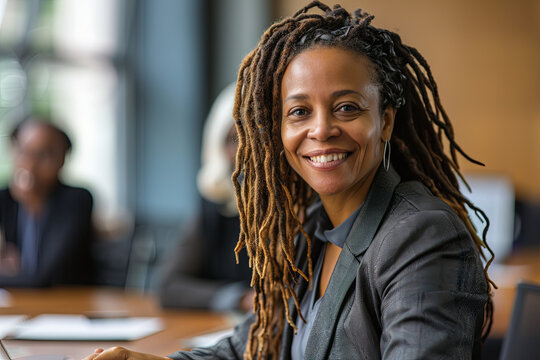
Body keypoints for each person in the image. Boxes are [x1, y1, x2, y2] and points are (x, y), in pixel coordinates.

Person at [84, 2, 494, 359]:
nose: (321, 129)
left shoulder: (421, 235)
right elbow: (249, 347)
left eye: (347, 107)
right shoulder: (310, 231)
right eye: (299, 112)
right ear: (276, 129)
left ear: (384, 121)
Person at [158, 83, 253, 312]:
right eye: (234, 139)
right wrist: (240, 299)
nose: (245, 149)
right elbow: (169, 287)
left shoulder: (305, 205)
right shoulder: (217, 203)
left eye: (255, 134)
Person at [0, 117, 94, 287]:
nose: (30, 165)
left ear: (63, 159)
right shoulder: (5, 198)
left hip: (67, 304)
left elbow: (45, 277)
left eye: (43, 155)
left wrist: (34, 203)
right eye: (23, 152)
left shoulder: (77, 201)